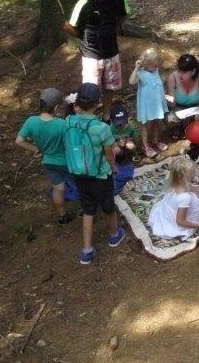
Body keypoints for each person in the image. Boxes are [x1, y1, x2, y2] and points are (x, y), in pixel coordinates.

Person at [67, 83, 127, 264]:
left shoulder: (69, 121)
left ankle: (86, 250)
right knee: (108, 206)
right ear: (97, 103)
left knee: (88, 210)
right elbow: (109, 153)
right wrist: (114, 166)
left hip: (79, 173)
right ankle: (115, 235)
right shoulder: (101, 128)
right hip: (100, 175)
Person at [63, 0, 131, 115]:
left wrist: (112, 28)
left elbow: (124, 14)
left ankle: (106, 114)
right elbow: (68, 26)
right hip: (91, 55)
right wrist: (83, 36)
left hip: (112, 52)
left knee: (110, 86)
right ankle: (89, 116)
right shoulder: (85, 3)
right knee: (90, 89)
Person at [15, 88, 76, 224]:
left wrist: (36, 149)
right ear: (56, 107)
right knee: (80, 183)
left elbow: (19, 141)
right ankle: (86, 210)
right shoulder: (62, 124)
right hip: (66, 162)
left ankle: (63, 216)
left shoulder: (31, 121)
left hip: (47, 161)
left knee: (58, 188)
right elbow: (71, 144)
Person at [148, 158, 199, 239]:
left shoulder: (176, 185)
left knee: (195, 193)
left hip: (168, 215)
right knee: (196, 196)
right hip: (179, 225)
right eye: (193, 172)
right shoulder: (185, 197)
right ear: (185, 177)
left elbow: (197, 189)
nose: (195, 174)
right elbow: (180, 222)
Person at [129, 47, 168, 159]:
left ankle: (155, 140)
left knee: (156, 121)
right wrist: (137, 68)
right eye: (153, 65)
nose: (156, 66)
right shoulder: (141, 73)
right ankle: (145, 146)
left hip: (156, 103)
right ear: (146, 64)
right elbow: (131, 82)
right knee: (144, 125)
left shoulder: (155, 70)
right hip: (146, 105)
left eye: (156, 64)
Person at [166, 53, 199, 127]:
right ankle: (181, 127)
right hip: (179, 107)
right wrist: (168, 99)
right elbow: (172, 105)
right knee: (171, 119)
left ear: (193, 71)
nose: (180, 75)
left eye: (184, 72)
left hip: (197, 105)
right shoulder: (172, 78)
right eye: (179, 71)